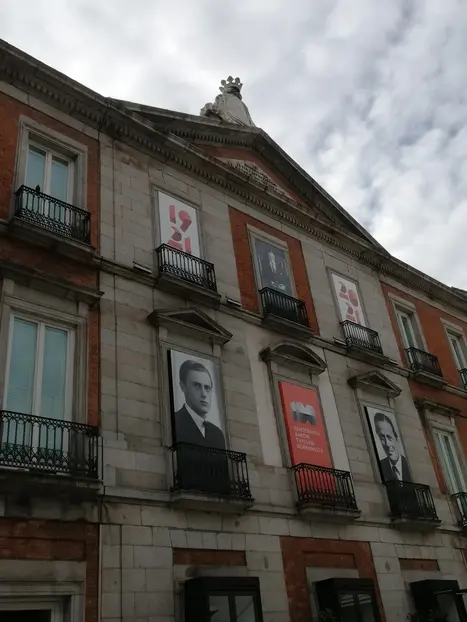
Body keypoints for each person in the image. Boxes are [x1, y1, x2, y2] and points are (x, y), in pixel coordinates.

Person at [174, 360, 225, 449]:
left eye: (207, 388)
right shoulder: (174, 422)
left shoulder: (217, 434)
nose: (204, 394)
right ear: (183, 387)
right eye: (197, 386)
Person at [374, 412, 411, 482]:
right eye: (382, 438)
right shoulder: (379, 467)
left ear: (396, 437)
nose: (387, 444)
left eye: (389, 437)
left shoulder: (409, 465)